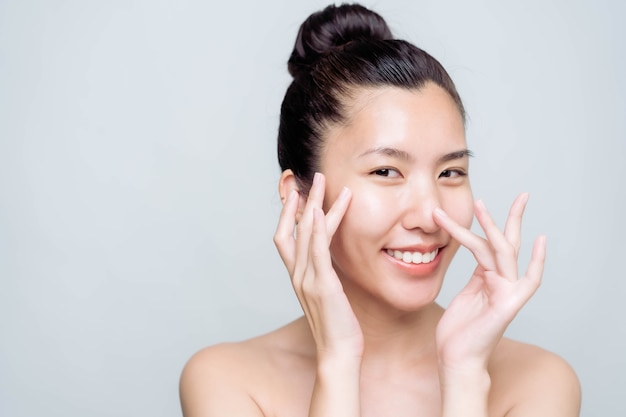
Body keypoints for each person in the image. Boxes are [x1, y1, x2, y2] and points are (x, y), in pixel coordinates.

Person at [179, 4, 581, 416]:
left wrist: (464, 376)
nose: (428, 216)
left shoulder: (538, 382)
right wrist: (337, 363)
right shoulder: (228, 381)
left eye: (450, 171)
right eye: (386, 171)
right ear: (299, 198)